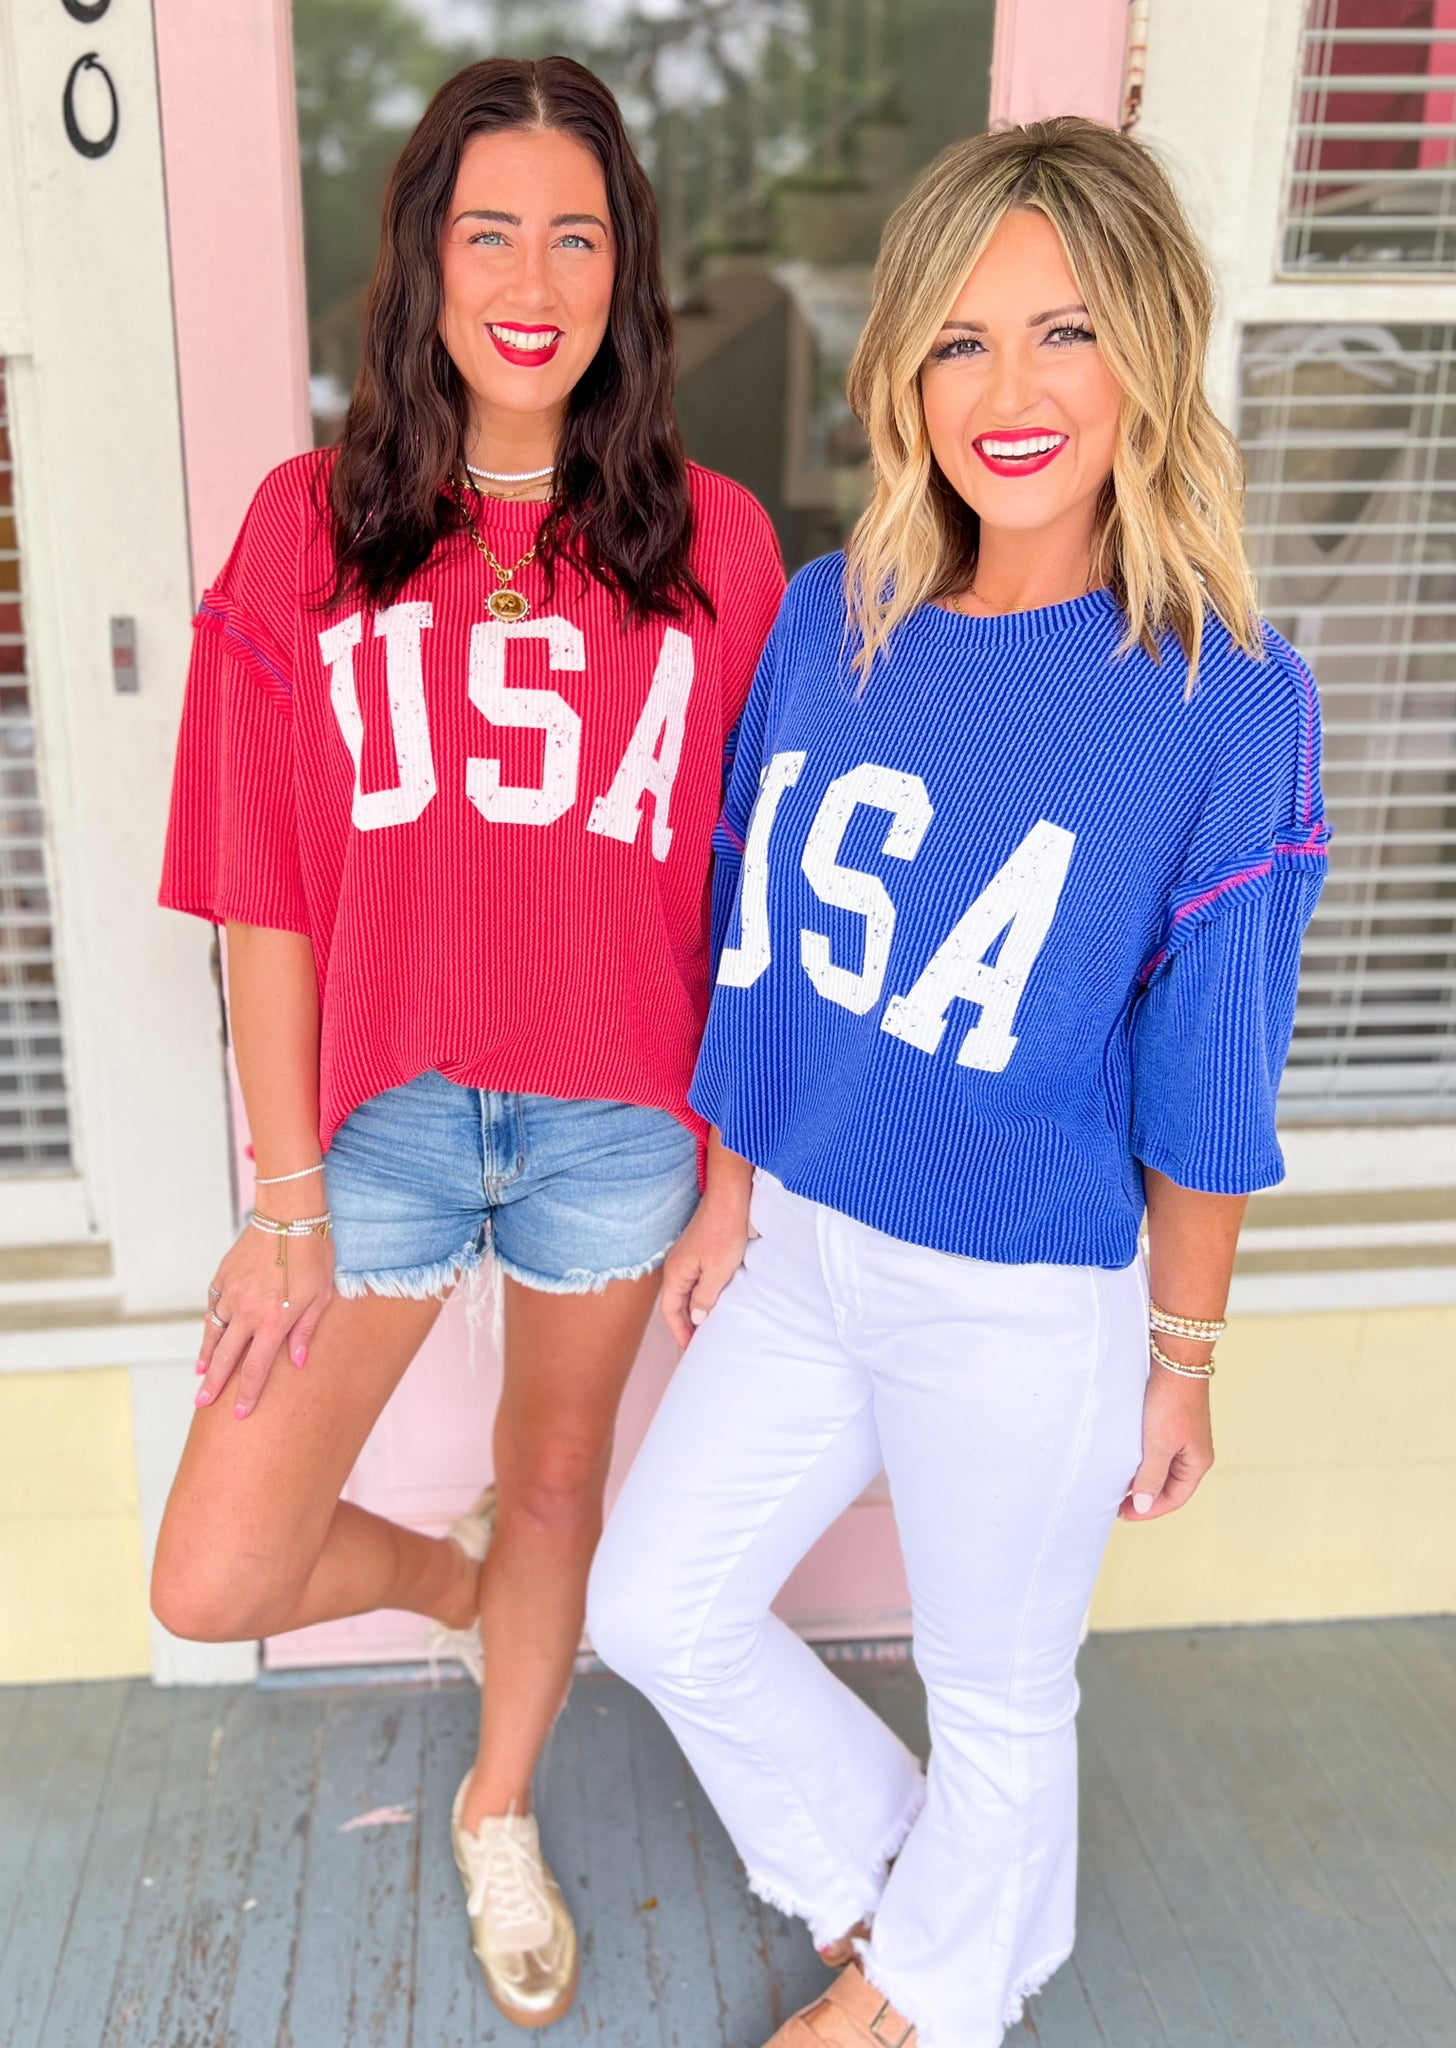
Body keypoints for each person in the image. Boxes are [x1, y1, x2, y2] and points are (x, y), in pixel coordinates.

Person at [587, 116, 1327, 2048]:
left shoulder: (1222, 691)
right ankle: (915, 1894)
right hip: (805, 1244)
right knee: (654, 1607)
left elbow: (1212, 1066)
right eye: (960, 342)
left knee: (1000, 1690)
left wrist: (1185, 1353)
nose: (1010, 393)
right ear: (903, 374)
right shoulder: (836, 617)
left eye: (1066, 332)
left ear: (1148, 351)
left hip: (1018, 1291)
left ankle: (926, 1992)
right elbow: (752, 926)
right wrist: (732, 1192)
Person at [152, 55, 782, 2030]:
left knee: (563, 1477)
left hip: (617, 1127)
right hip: (387, 1129)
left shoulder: (718, 545)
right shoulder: (309, 526)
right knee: (214, 1577)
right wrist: (282, 1201)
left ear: (626, 273)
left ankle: (496, 1802)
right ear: (421, 259)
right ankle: (460, 1590)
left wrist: (731, 1181)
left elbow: (752, 899)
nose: (530, 278)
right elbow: (260, 884)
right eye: (487, 230)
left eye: (575, 236)